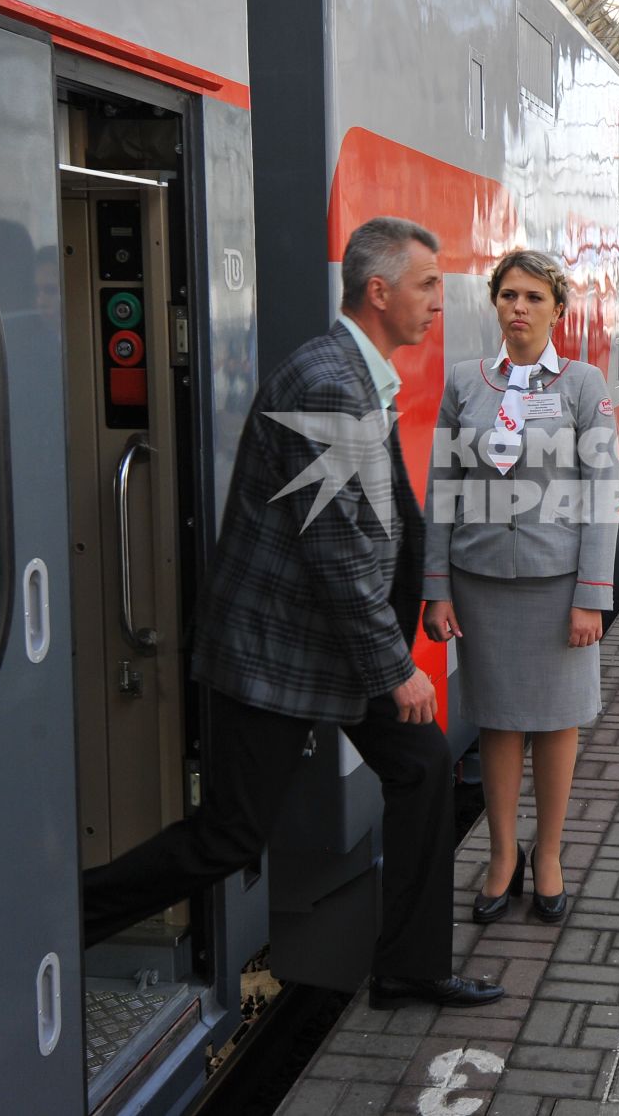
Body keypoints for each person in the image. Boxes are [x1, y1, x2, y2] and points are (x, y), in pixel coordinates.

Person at [83, 217, 502, 1010]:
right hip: (276, 653)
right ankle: (68, 915)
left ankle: (410, 968)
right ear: (378, 292)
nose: (438, 303)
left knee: (421, 768)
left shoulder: (353, 370)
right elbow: (337, 551)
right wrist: (395, 666)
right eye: (426, 286)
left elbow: (377, 529)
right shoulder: (328, 382)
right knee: (231, 836)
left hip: (330, 646)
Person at [423, 248, 616, 926]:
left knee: (557, 721)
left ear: (558, 309)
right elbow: (443, 489)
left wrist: (592, 591)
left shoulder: (583, 386)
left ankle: (551, 854)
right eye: (508, 295)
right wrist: (436, 586)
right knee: (498, 722)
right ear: (494, 303)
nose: (519, 308)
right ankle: (503, 855)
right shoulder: (464, 384)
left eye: (534, 297)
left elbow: (600, 496)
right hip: (481, 582)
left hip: (558, 582)